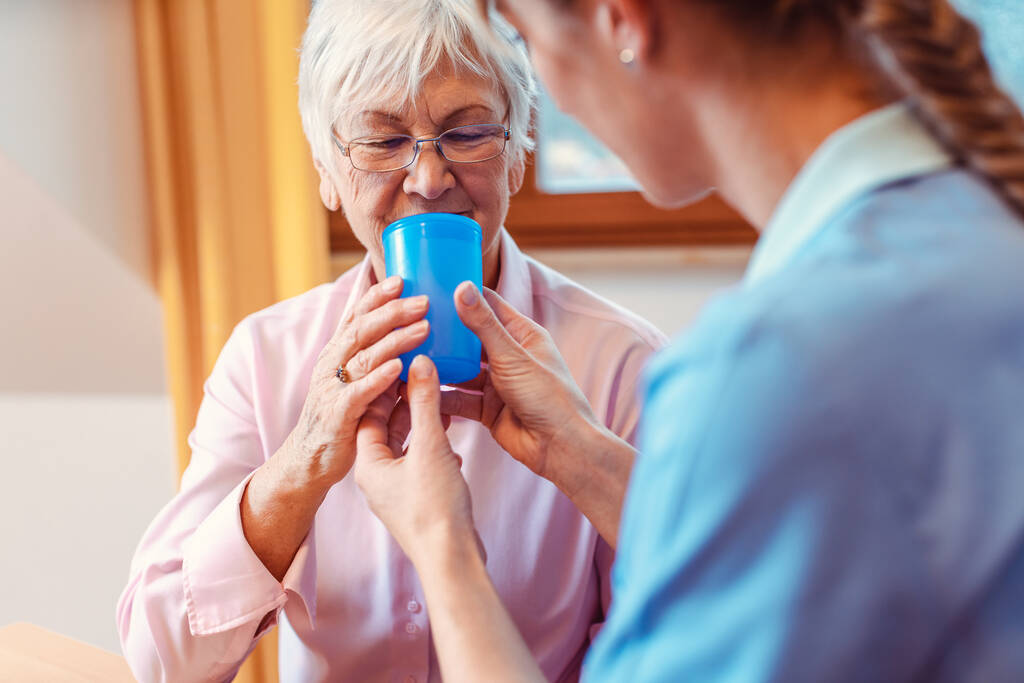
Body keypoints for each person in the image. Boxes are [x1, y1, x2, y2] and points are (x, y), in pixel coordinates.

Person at [354, 0, 1024, 681]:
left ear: (624, 19)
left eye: (529, 41)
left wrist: (443, 548)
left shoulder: (777, 364)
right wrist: (583, 457)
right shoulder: (978, 231)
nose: (551, 94)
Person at [116, 1, 666, 681]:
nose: (430, 179)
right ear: (325, 171)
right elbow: (161, 659)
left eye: (467, 133)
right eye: (382, 142)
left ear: (519, 155)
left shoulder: (621, 365)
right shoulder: (267, 359)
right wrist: (299, 466)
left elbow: (684, 645)